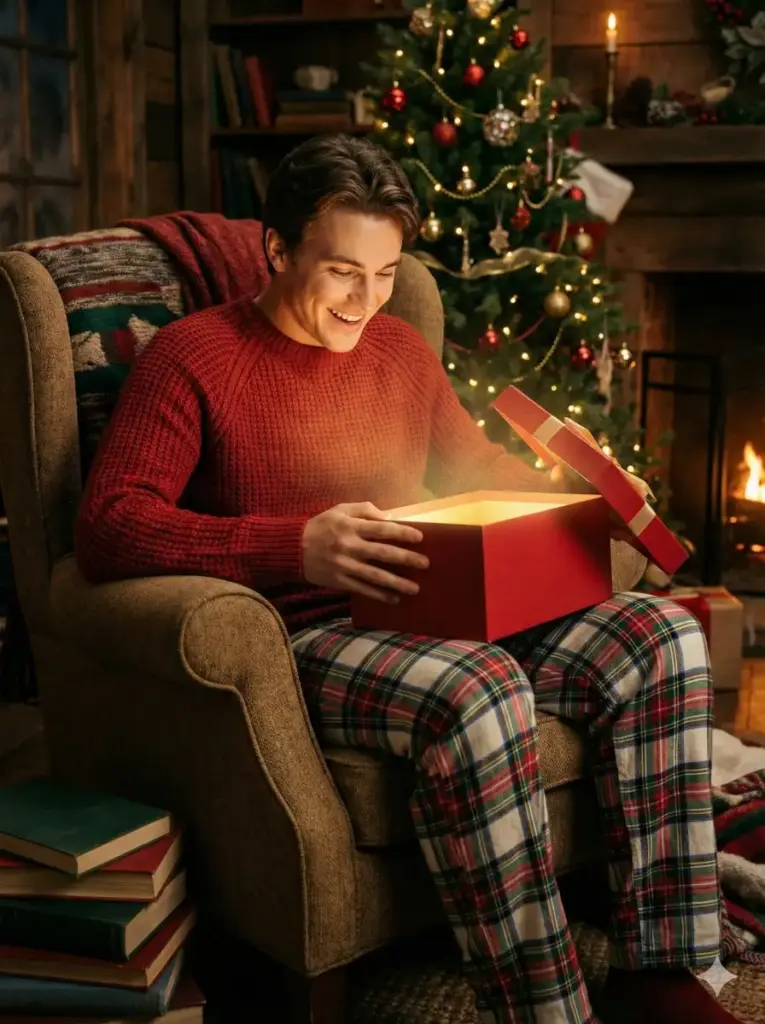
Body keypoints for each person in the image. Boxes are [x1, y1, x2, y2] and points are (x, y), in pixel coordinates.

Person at [75, 134, 735, 1024]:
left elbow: (473, 468)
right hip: (308, 633)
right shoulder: (192, 358)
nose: (366, 300)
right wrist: (292, 546)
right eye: (344, 270)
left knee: (662, 636)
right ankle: (542, 1009)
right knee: (480, 687)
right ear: (278, 250)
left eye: (385, 274)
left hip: (437, 604)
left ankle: (662, 974)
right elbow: (109, 525)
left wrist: (579, 491)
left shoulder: (395, 352)